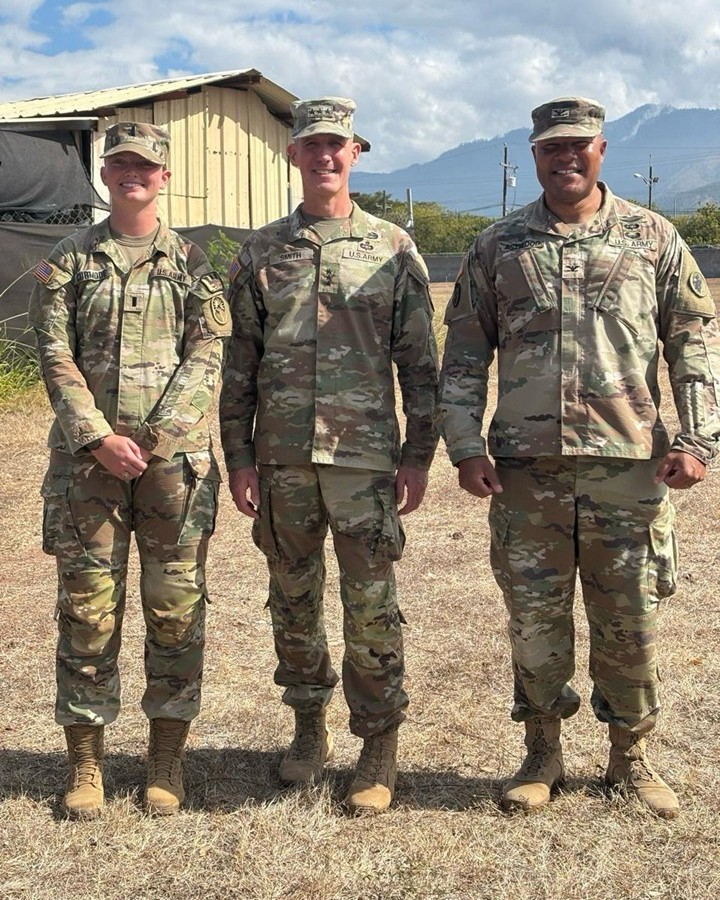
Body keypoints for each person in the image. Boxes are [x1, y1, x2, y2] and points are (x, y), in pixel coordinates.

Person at [439, 96, 720, 819]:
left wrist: (699, 440)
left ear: (602, 150)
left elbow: (693, 345)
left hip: (628, 471)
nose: (565, 158)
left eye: (578, 146)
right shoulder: (498, 246)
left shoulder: (653, 237)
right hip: (526, 473)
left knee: (630, 620)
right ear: (533, 155)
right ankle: (542, 753)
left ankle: (631, 757)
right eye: (550, 148)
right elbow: (466, 356)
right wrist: (465, 445)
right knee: (535, 622)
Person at [220, 96, 438, 814]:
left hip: (364, 460)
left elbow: (419, 364)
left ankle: (378, 744)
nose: (325, 157)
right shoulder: (260, 252)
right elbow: (239, 363)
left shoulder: (392, 248)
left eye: (337, 146)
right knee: (293, 600)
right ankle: (308, 729)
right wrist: (240, 458)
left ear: (356, 153)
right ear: (294, 155)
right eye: (311, 145)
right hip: (282, 461)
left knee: (371, 605)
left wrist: (417, 456)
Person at [29, 122, 230, 819]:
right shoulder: (70, 261)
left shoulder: (195, 263)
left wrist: (154, 436)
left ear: (164, 177)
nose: (131, 175)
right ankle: (86, 763)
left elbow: (208, 357)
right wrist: (98, 438)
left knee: (174, 612)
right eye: (119, 164)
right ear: (105, 175)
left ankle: (165, 758)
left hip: (172, 470)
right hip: (89, 472)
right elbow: (55, 357)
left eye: (144, 165)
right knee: (87, 611)